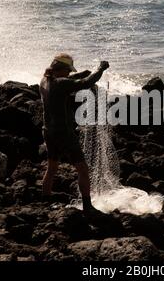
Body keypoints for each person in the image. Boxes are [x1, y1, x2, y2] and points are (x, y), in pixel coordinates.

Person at [39, 53, 109, 214]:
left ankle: (45, 201)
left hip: (48, 131)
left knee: (51, 168)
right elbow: (87, 83)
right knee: (83, 169)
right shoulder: (61, 83)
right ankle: (87, 206)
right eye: (68, 71)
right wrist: (100, 69)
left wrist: (82, 73)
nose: (69, 74)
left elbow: (71, 80)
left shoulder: (45, 80)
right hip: (64, 133)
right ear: (61, 69)